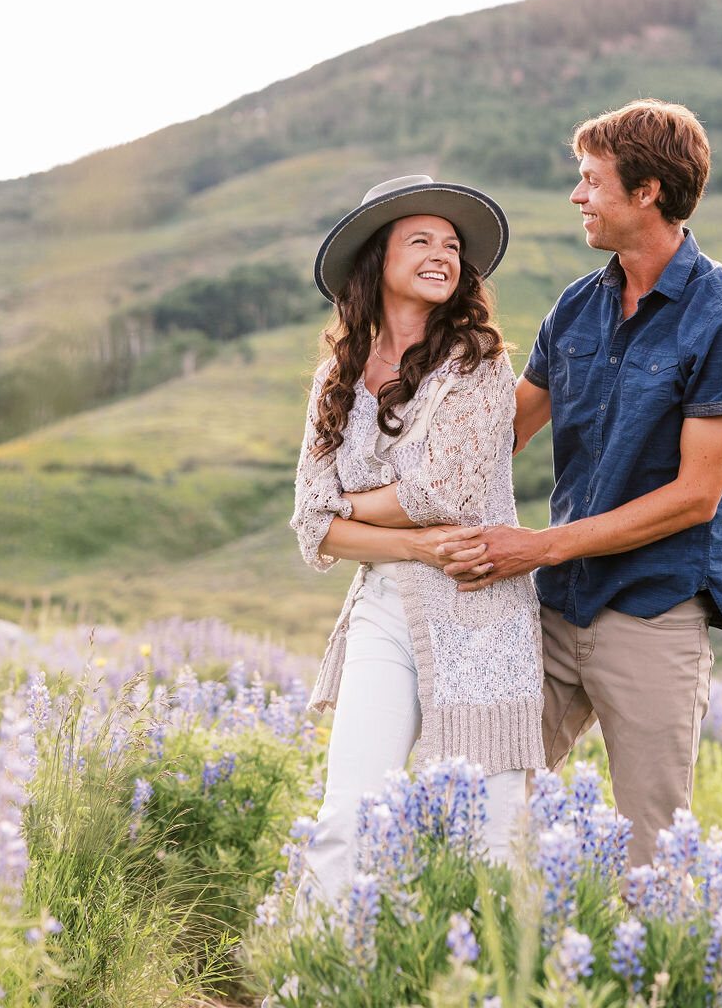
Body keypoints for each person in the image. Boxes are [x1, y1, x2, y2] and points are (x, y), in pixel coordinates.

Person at [441, 100, 722, 868]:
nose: (577, 196)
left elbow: (697, 495)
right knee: (474, 797)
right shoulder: (578, 305)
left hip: (654, 610)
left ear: (648, 190)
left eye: (591, 180)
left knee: (651, 849)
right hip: (558, 607)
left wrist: (536, 546)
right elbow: (506, 432)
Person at [290, 174, 545, 901]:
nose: (443, 254)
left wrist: (352, 507)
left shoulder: (481, 364)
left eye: (453, 246)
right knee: (350, 810)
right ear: (379, 259)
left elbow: (450, 491)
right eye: (421, 241)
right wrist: (414, 544)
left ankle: (484, 979)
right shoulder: (335, 377)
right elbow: (311, 526)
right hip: (383, 606)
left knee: (489, 833)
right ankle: (317, 976)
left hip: (481, 614)